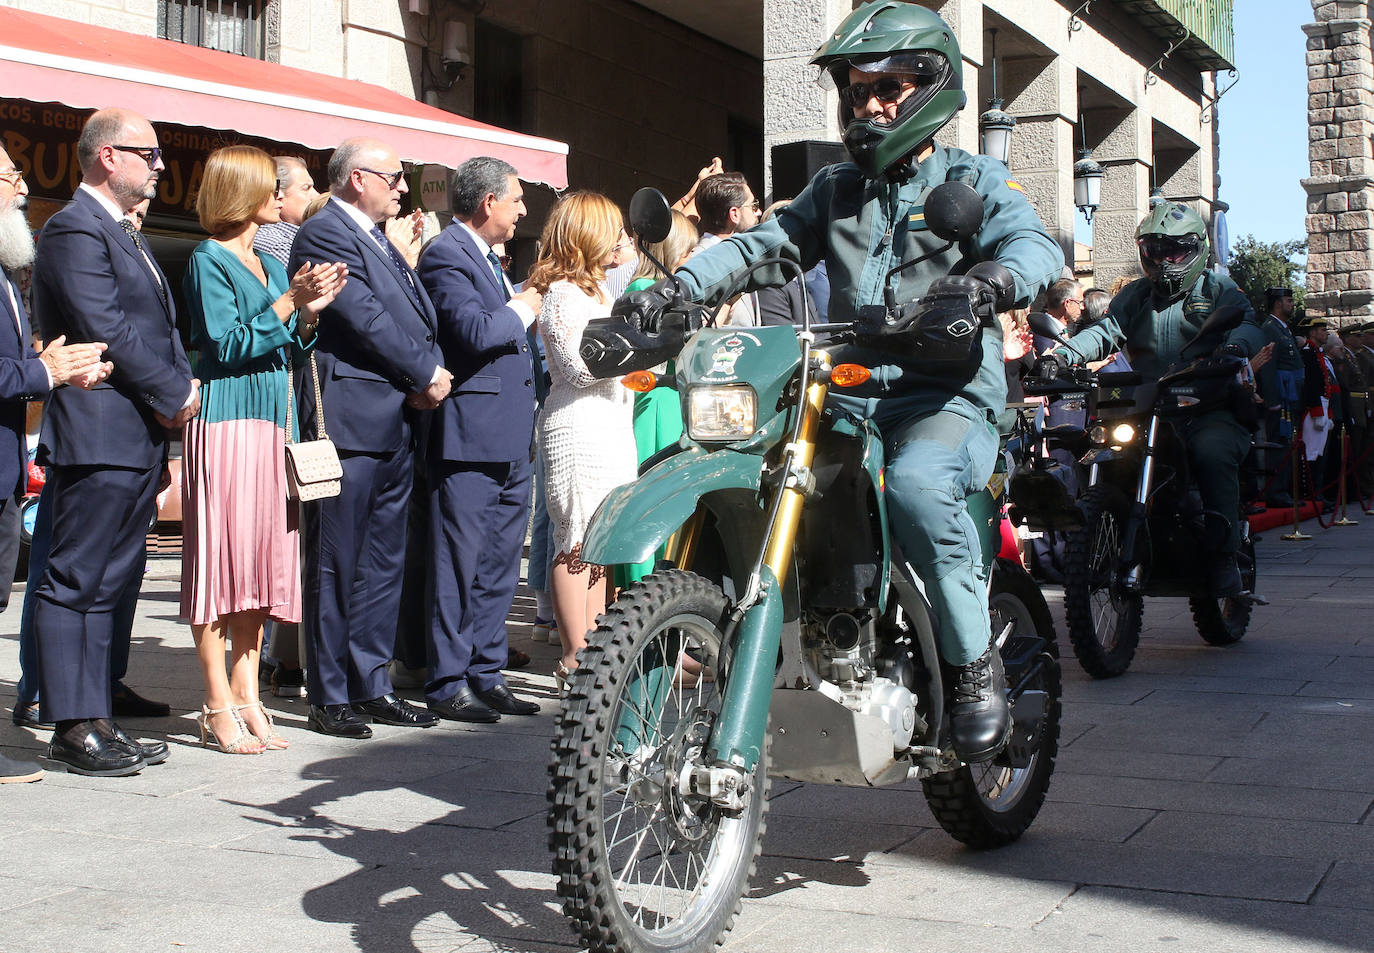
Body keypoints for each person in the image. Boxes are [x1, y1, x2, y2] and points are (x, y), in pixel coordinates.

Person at [662, 1, 1063, 762]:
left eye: (892, 87)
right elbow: (762, 244)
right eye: (858, 88)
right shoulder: (834, 190)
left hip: (940, 396)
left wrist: (989, 282)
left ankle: (975, 667)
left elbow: (1033, 245)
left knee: (916, 486)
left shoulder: (973, 179)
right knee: (758, 467)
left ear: (935, 87)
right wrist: (681, 287)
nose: (871, 102)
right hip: (844, 390)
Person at [30, 108, 192, 776]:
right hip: (98, 432)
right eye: (147, 154)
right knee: (75, 579)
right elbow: (109, 326)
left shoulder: (127, 233)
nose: (158, 166)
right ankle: (71, 722)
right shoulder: (74, 227)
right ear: (106, 157)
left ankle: (97, 714)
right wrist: (174, 391)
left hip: (134, 434)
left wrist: (172, 390)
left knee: (109, 583)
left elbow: (156, 327)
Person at [181, 145, 346, 753]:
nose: (281, 195)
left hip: (274, 426)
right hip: (226, 425)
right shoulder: (209, 259)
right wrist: (288, 305)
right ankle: (215, 699)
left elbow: (290, 352)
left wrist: (309, 316)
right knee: (218, 566)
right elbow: (222, 346)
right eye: (270, 187)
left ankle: (247, 691)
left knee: (257, 565)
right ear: (242, 193)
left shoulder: (273, 265)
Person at [289, 137, 449, 738]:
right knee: (336, 560)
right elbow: (364, 317)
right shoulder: (325, 233)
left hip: (396, 421)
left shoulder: (377, 237)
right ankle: (329, 692)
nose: (403, 187)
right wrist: (425, 372)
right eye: (394, 176)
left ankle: (371, 682)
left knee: (383, 562)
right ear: (358, 178)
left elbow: (409, 312)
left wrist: (426, 369)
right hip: (352, 421)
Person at [1062, 201, 1267, 596]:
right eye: (1154, 251)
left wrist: (1237, 347)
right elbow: (1106, 331)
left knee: (1211, 452)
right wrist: (1061, 355)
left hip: (1206, 406)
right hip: (1147, 406)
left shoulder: (1218, 288)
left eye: (1174, 251)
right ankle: (1109, 537)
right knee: (1107, 454)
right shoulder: (1136, 296)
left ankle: (1224, 559)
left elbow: (1247, 324)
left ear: (1198, 249)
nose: (1164, 261)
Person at [414, 157, 545, 723]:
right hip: (469, 439)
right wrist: (523, 307)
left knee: (497, 566)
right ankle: (446, 680)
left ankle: (486, 672)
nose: (523, 210)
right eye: (516, 198)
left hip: (511, 437)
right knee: (458, 564)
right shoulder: (447, 254)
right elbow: (473, 332)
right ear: (488, 201)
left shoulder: (489, 259)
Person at [0, 144, 113, 782]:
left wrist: (61, 375)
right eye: (10, 175)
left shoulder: (11, 268)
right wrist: (40, 370)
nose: (21, 185)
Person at [530, 192, 639, 685]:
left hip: (610, 424)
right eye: (614, 229)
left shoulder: (597, 292)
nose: (623, 239)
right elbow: (576, 367)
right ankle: (573, 657)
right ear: (589, 234)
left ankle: (594, 647)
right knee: (573, 536)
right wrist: (635, 350)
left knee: (597, 538)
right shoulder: (562, 295)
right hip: (576, 425)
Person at [252, 154, 320, 699]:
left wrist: (307, 313)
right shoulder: (275, 246)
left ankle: (281, 654)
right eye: (301, 186)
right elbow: (240, 337)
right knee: (281, 534)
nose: (300, 195)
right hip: (265, 405)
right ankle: (278, 655)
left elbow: (298, 330)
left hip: (287, 393)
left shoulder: (284, 250)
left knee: (290, 532)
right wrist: (298, 301)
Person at [617, 208, 698, 586]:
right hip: (653, 405)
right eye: (688, 252)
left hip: (671, 403)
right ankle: (642, 595)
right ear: (669, 254)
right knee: (651, 505)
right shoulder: (641, 294)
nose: (694, 260)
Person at [1255, 287, 1304, 507]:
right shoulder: (1270, 329)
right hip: (1280, 398)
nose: (1292, 304)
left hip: (1290, 396)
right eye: (1289, 300)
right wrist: (1273, 400)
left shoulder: (1283, 329)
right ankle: (1276, 492)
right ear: (1278, 304)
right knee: (1279, 444)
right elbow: (1268, 366)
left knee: (1287, 444)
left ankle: (1285, 490)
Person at [693, 172, 762, 326]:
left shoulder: (743, 258)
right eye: (753, 206)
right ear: (734, 214)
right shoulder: (699, 262)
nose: (759, 212)